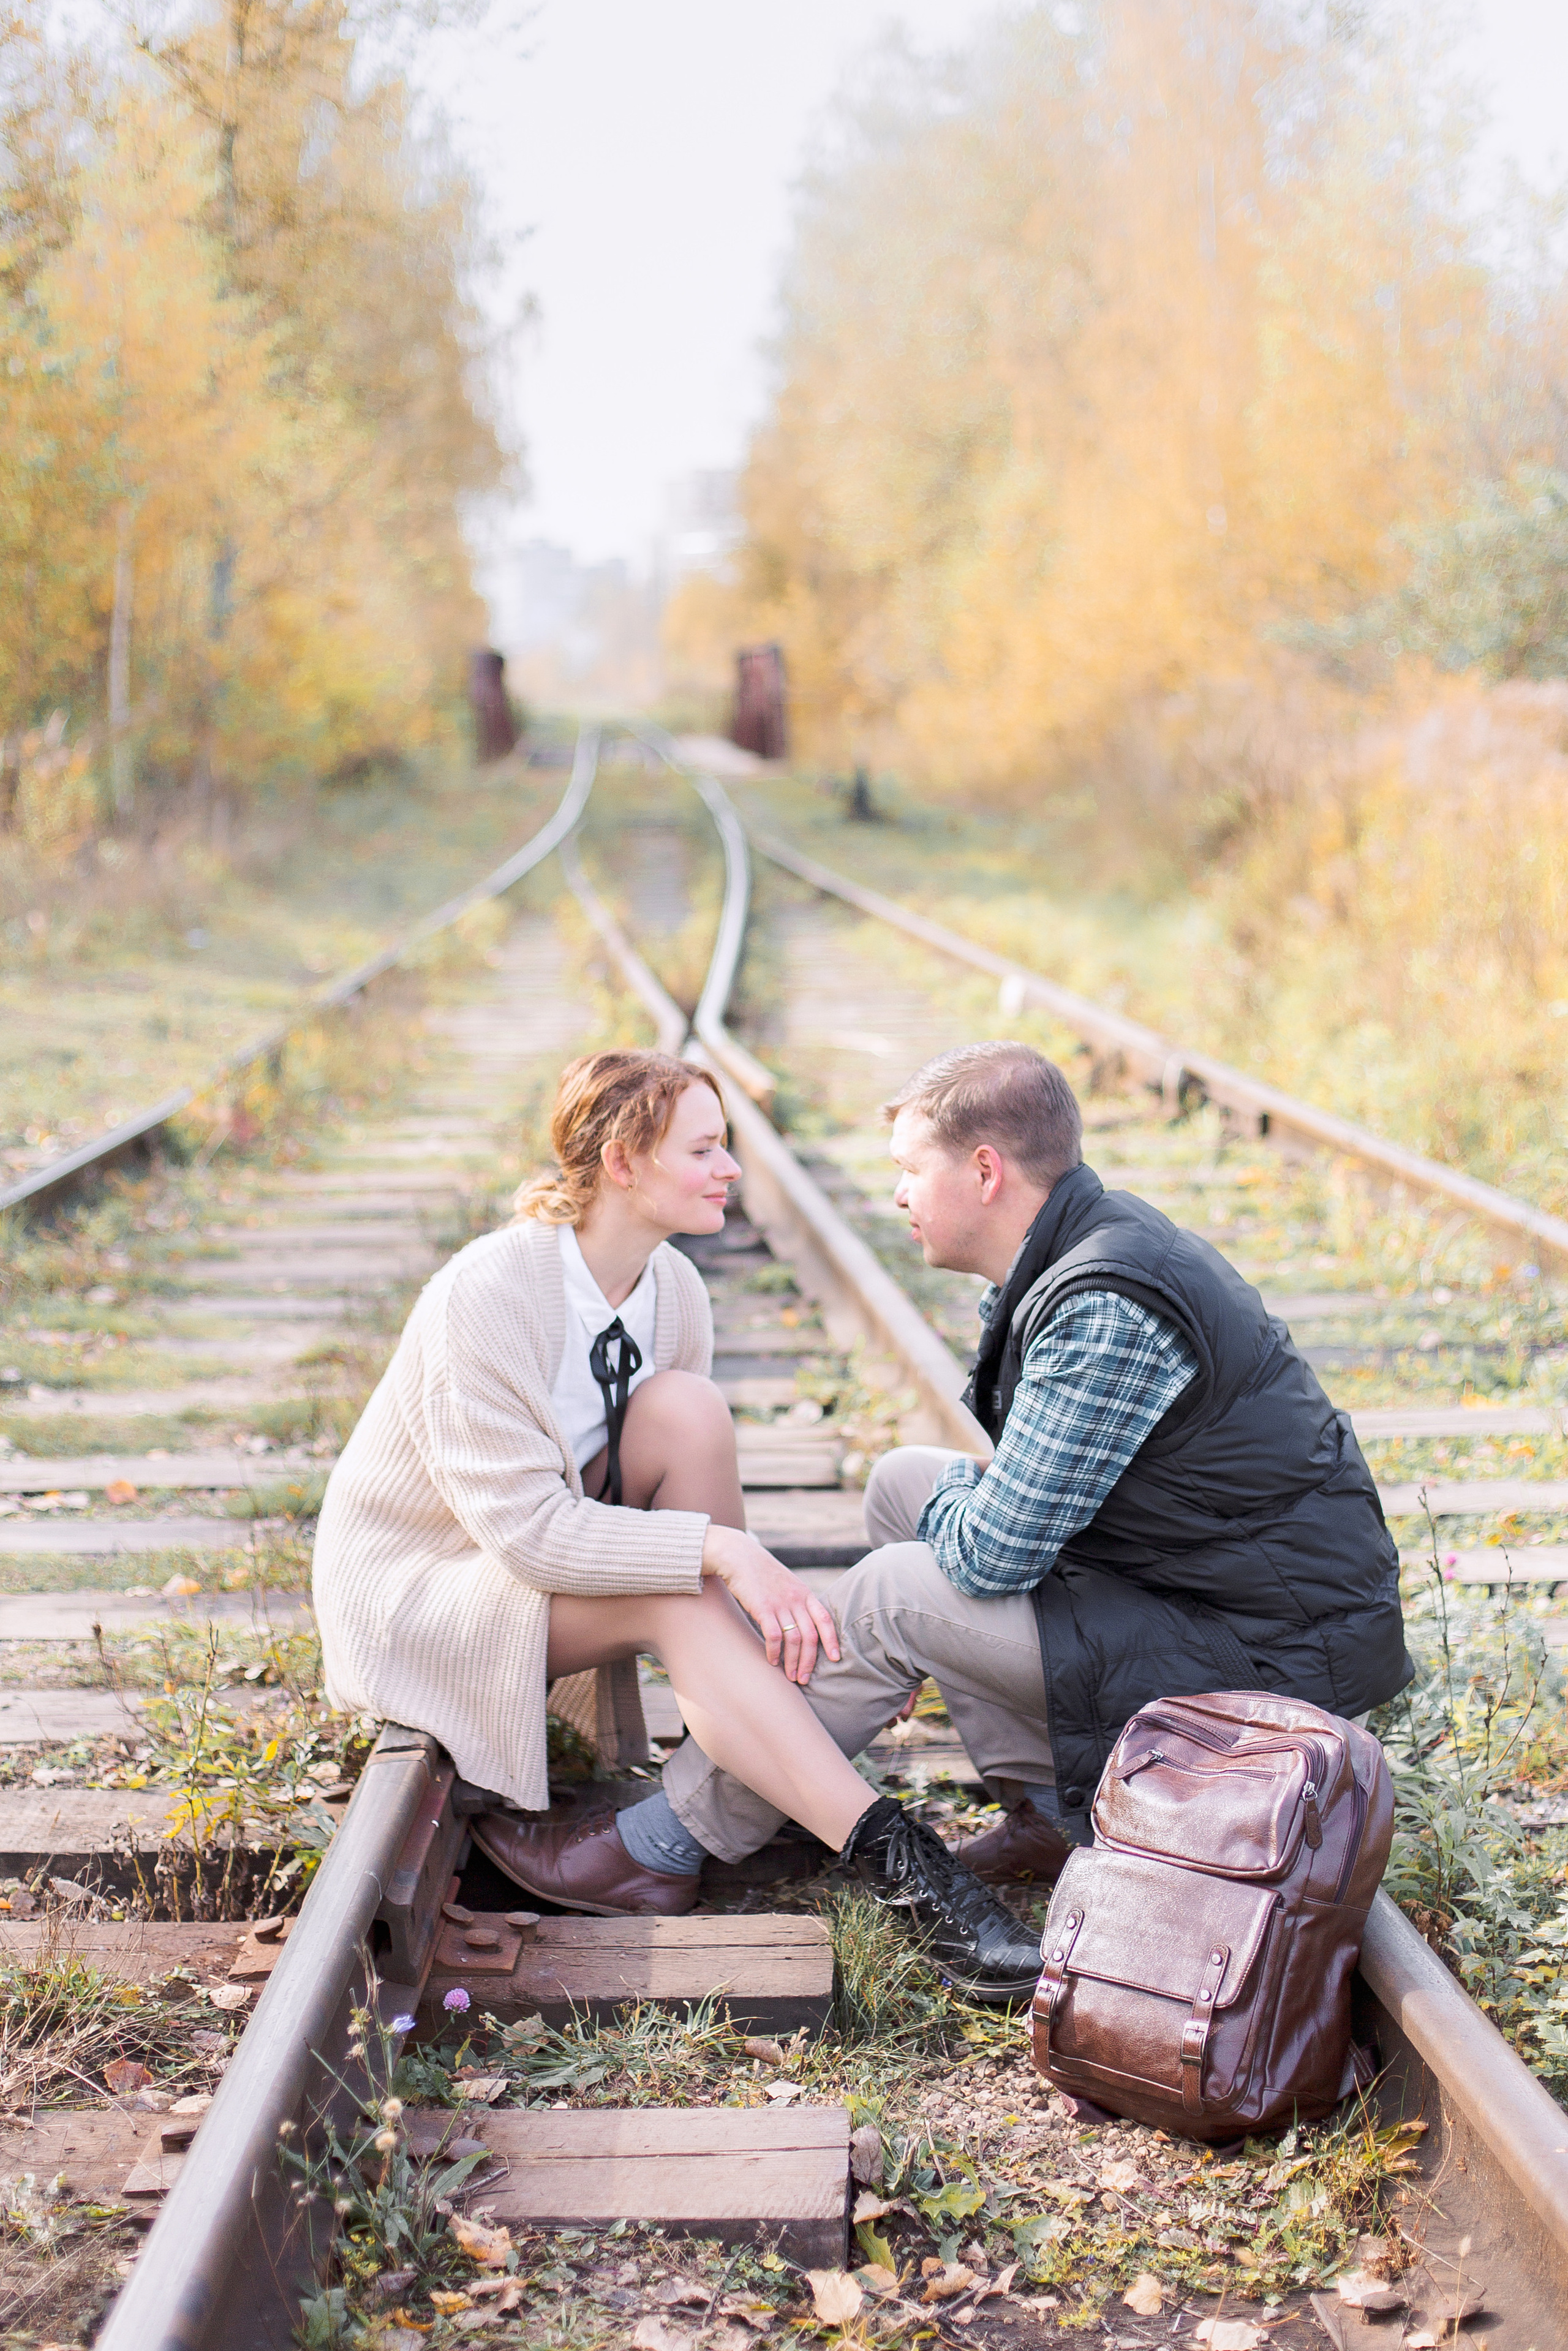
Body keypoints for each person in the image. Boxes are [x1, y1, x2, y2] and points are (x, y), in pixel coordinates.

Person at [503, 1038, 1412, 1900]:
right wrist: (963, 1502)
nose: (897, 1193)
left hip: (1272, 1658)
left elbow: (994, 1560)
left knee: (896, 1593)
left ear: (984, 1172)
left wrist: (969, 1512)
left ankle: (664, 1844)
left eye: (910, 1169)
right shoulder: (1080, 1246)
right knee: (903, 1480)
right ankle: (1049, 1811)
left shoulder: (1104, 1302)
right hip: (1204, 1594)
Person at [313, 1047, 1044, 2002]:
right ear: (622, 1162)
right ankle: (913, 1877)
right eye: (703, 1149)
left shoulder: (673, 1290)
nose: (731, 1168)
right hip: (426, 1592)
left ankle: (767, 1752)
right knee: (684, 1586)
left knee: (688, 1413)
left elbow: (667, 1535)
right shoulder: (485, 1293)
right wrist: (726, 1552)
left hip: (534, 1573)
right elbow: (530, 1535)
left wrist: (780, 1646)